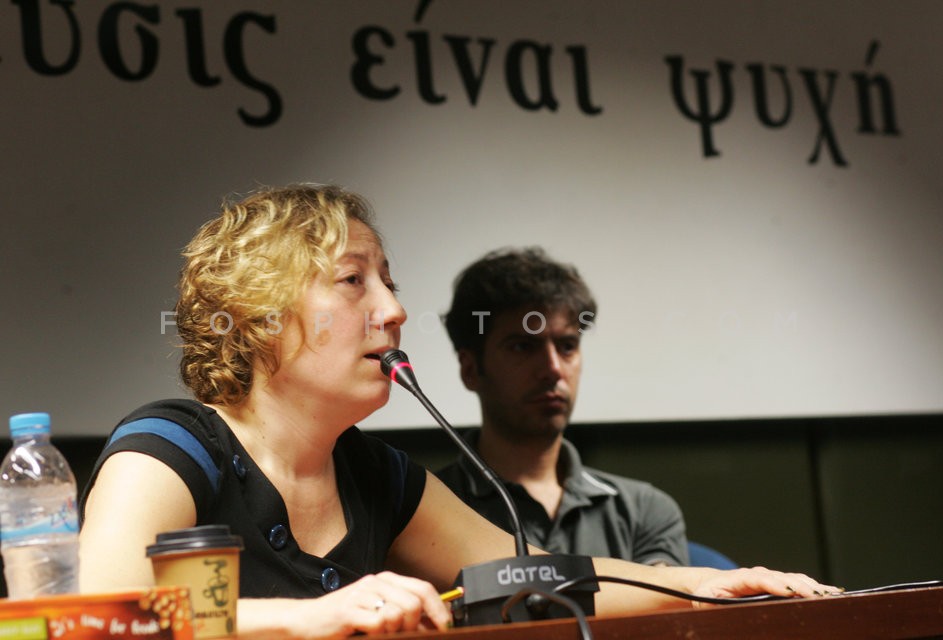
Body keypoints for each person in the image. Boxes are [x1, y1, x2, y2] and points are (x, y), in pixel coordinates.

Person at [78, 184, 837, 640]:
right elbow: (95, 619)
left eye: (390, 281)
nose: (395, 310)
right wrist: (306, 617)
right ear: (260, 317)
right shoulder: (170, 447)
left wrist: (703, 585)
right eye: (353, 281)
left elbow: (536, 576)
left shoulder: (374, 473)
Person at [437, 247, 688, 566]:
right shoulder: (426, 510)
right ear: (471, 370)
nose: (553, 368)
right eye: (522, 347)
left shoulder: (643, 510)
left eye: (567, 346)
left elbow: (661, 598)